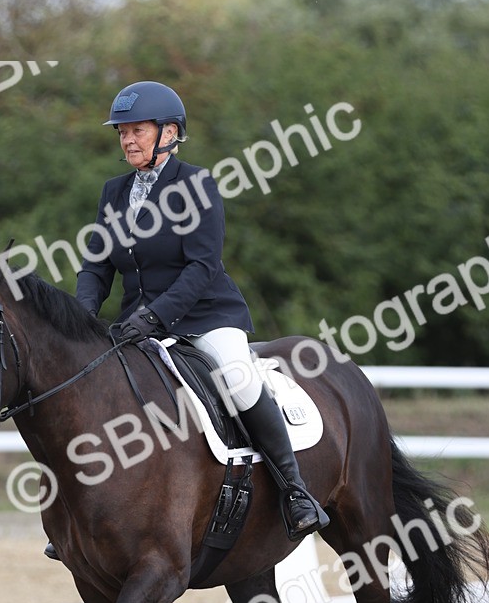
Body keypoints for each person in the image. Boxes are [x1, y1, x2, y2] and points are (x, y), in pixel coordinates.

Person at [44, 81, 328, 560]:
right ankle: (83, 516)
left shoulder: (196, 186)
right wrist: (82, 318)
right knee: (98, 391)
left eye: (137, 130)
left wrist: (156, 316)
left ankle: (294, 490)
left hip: (205, 316)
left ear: (169, 132)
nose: (127, 140)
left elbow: (202, 266)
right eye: (122, 132)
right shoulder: (114, 193)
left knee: (237, 379)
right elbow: (96, 266)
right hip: (137, 323)